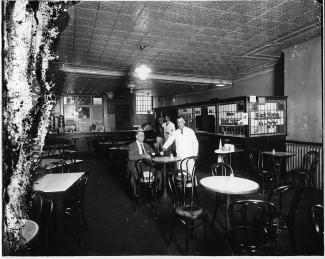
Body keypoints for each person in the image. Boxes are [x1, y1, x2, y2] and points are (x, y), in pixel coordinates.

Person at [127, 130, 161, 197]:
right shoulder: (131, 145)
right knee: (136, 176)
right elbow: (131, 157)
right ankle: (138, 194)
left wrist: (156, 148)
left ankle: (156, 193)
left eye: (143, 135)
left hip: (145, 165)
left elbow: (153, 152)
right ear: (136, 137)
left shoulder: (146, 145)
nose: (143, 137)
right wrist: (143, 155)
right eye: (141, 135)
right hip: (135, 165)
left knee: (159, 173)